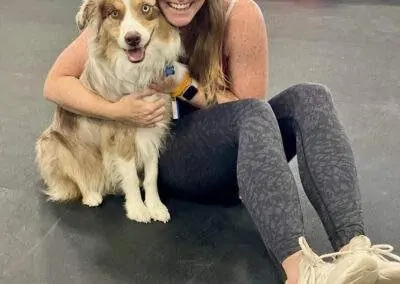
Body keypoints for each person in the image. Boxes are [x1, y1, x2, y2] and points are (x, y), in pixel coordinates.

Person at [43, 0, 400, 283]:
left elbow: (251, 107)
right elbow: (55, 82)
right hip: (175, 154)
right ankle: (300, 272)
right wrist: (118, 110)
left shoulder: (238, 13)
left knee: (311, 96)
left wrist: (183, 86)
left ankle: (357, 251)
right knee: (254, 115)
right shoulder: (138, 10)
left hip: (237, 149)